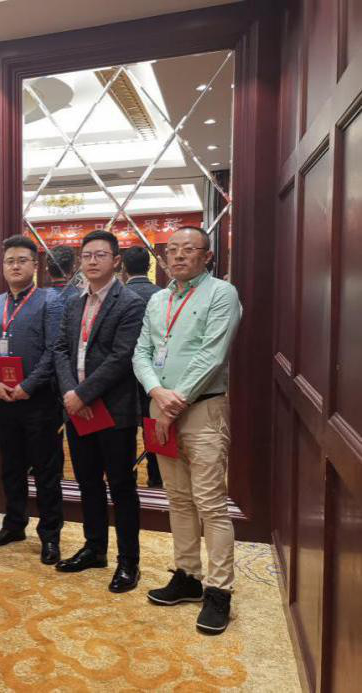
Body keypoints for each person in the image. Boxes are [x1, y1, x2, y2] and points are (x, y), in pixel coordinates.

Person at [133, 226, 241, 635]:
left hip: (202, 410)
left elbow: (212, 355)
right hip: (160, 406)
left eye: (188, 249)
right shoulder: (158, 300)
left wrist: (174, 402)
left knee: (210, 503)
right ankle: (188, 576)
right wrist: (157, 392)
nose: (177, 256)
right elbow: (141, 352)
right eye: (172, 250)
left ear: (207, 256)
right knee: (177, 499)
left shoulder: (221, 294)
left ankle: (219, 591)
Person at [53, 230, 145, 593]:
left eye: (100, 255)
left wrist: (84, 394)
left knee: (121, 486)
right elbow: (61, 349)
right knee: (87, 481)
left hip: (113, 410)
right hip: (77, 408)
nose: (92, 261)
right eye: (87, 255)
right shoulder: (74, 302)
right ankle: (94, 548)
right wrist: (70, 393)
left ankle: (128, 562)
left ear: (116, 260)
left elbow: (122, 357)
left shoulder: (130, 303)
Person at [0, 235, 64, 565]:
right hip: (4, 398)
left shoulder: (50, 301)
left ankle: (50, 535)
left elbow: (54, 349)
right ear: (3, 267)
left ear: (35, 265)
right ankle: (14, 524)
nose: (15, 266)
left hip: (39, 400)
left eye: (22, 260)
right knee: (11, 467)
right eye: (9, 261)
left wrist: (29, 385)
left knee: (46, 471)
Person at [122, 245, 163, 488]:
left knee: (124, 431)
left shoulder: (118, 296)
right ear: (149, 266)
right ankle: (156, 479)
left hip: (124, 376)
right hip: (154, 376)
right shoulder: (162, 295)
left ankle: (126, 478)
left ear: (123, 267)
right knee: (153, 426)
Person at [45, 244, 81, 482]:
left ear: (46, 269)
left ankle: (55, 477)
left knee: (49, 439)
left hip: (45, 379)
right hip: (75, 380)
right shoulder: (81, 297)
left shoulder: (40, 299)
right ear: (74, 266)